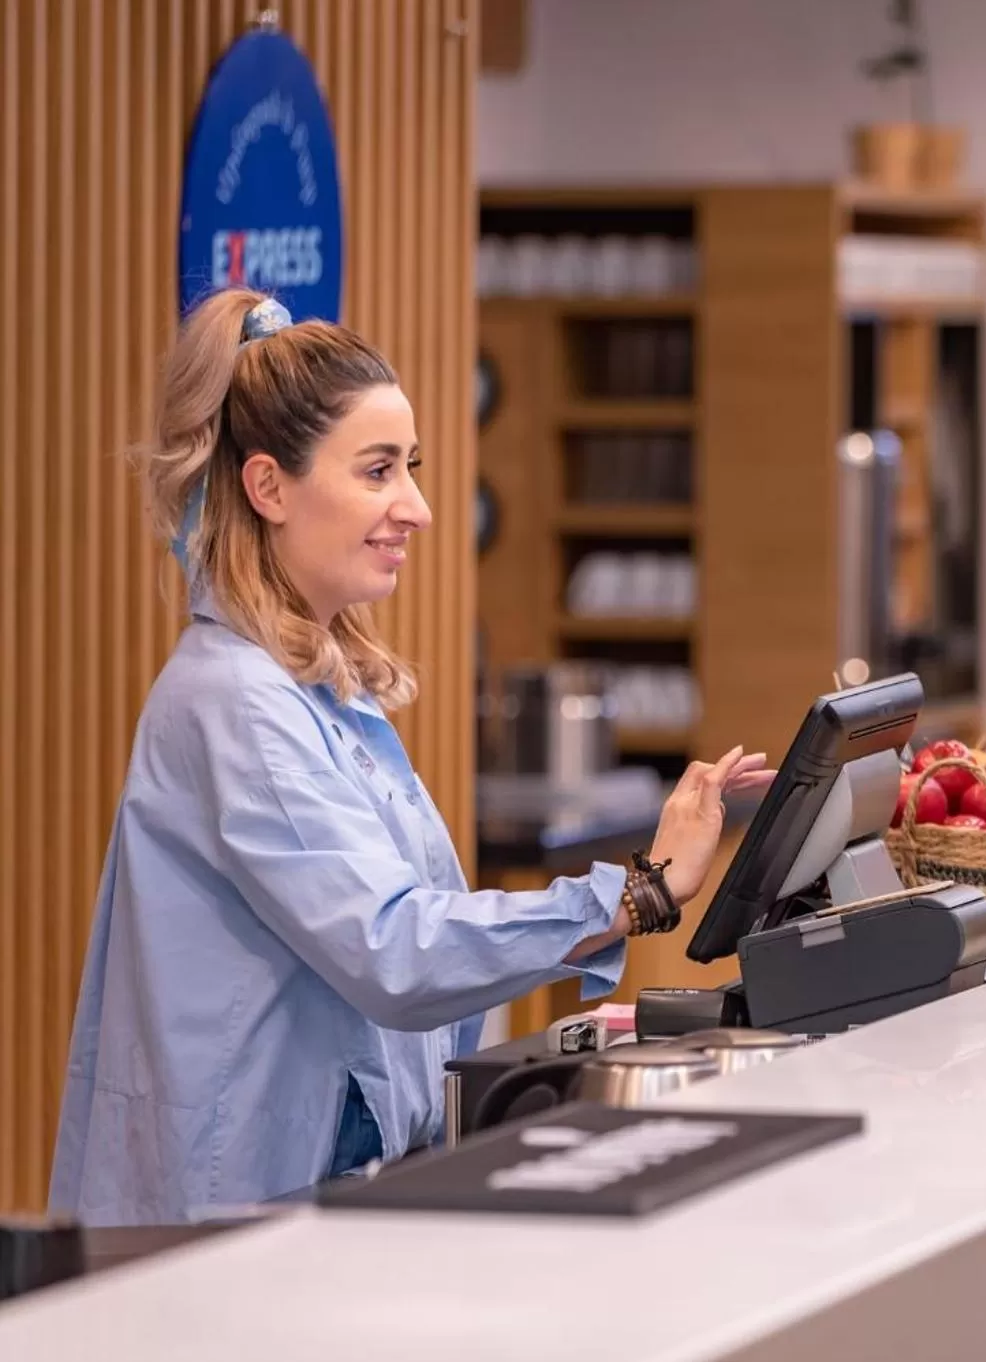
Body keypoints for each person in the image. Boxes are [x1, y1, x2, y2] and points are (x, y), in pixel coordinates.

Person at [50, 289, 770, 1226]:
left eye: (412, 467)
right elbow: (395, 950)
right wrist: (636, 894)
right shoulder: (238, 705)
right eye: (380, 470)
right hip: (238, 1221)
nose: (418, 508)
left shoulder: (312, 690)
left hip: (317, 1189)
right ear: (269, 487)